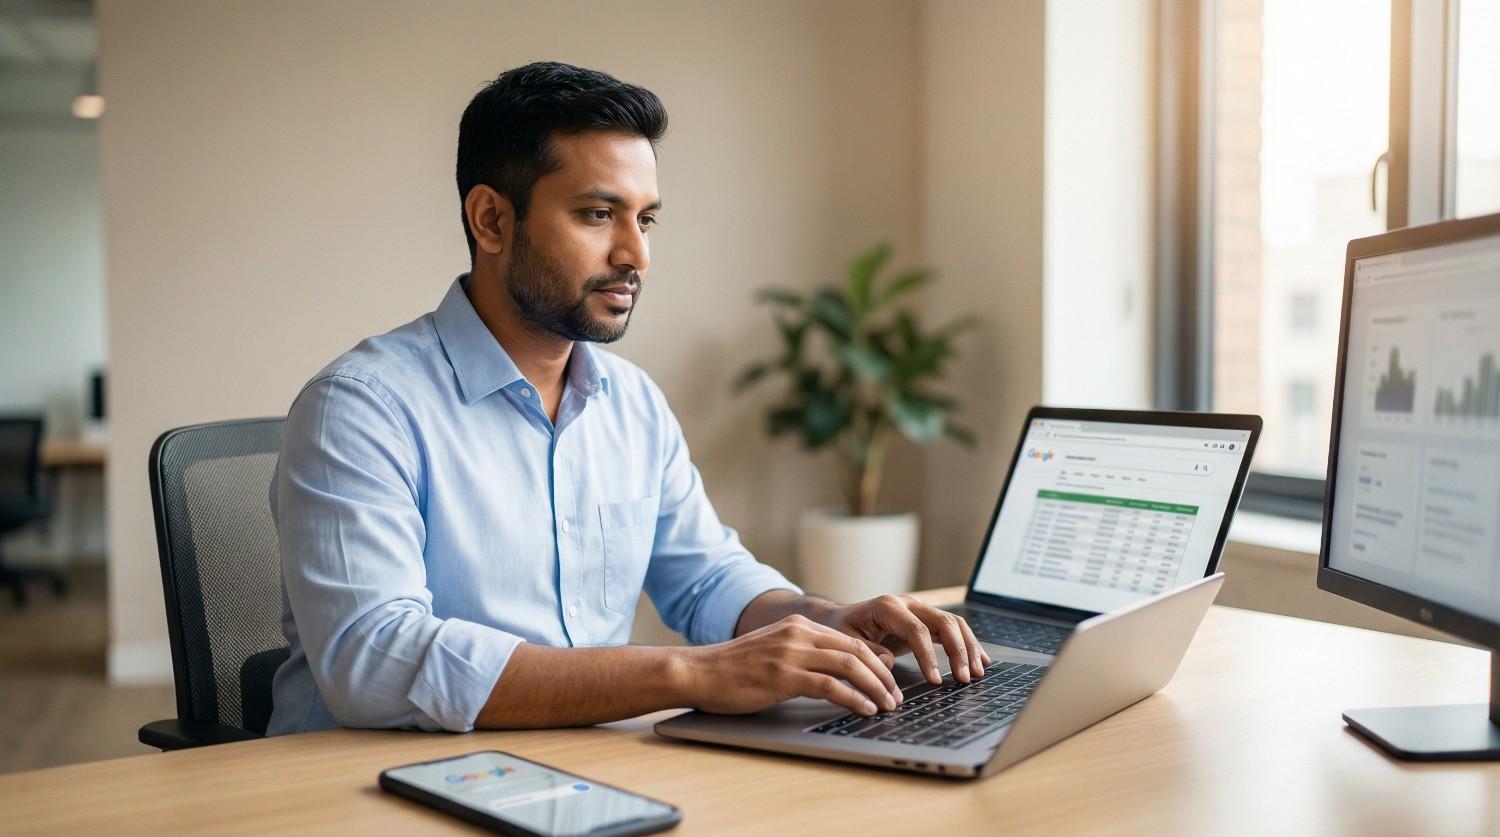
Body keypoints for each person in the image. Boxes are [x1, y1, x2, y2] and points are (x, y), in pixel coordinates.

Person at [267, 61, 989, 735]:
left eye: (644, 219)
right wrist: (691, 672)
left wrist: (822, 616)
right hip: (371, 790)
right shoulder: (359, 409)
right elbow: (374, 660)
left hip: (578, 775)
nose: (635, 254)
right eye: (596, 214)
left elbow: (707, 576)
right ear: (491, 219)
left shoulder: (631, 402)